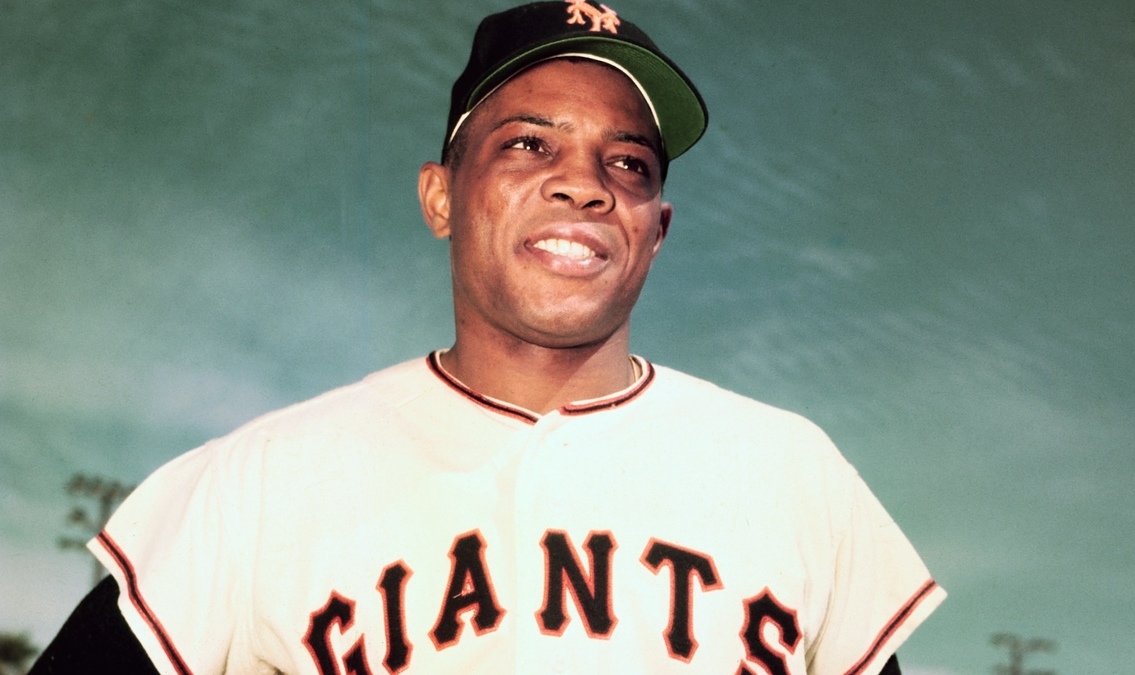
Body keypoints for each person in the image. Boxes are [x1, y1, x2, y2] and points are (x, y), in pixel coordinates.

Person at [32, 2, 943, 674]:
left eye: (627, 162)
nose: (584, 185)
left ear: (656, 228)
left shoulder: (793, 473)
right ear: (441, 196)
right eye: (529, 145)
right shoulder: (259, 482)